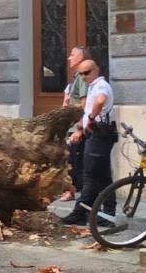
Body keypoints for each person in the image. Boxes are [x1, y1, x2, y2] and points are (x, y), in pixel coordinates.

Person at [62, 60, 117, 226]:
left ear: (96, 70)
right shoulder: (93, 86)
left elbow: (100, 101)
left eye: (87, 72)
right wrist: (81, 129)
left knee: (91, 175)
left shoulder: (101, 85)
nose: (84, 76)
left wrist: (91, 119)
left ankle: (83, 213)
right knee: (101, 176)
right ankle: (104, 214)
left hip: (100, 134)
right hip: (96, 134)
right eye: (81, 74)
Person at [59, 47, 91, 202]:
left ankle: (73, 192)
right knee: (72, 160)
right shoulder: (76, 76)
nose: (69, 58)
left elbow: (84, 104)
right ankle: (73, 192)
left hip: (78, 127)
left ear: (81, 58)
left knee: (75, 162)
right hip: (73, 126)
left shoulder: (81, 77)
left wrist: (79, 128)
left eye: (72, 55)